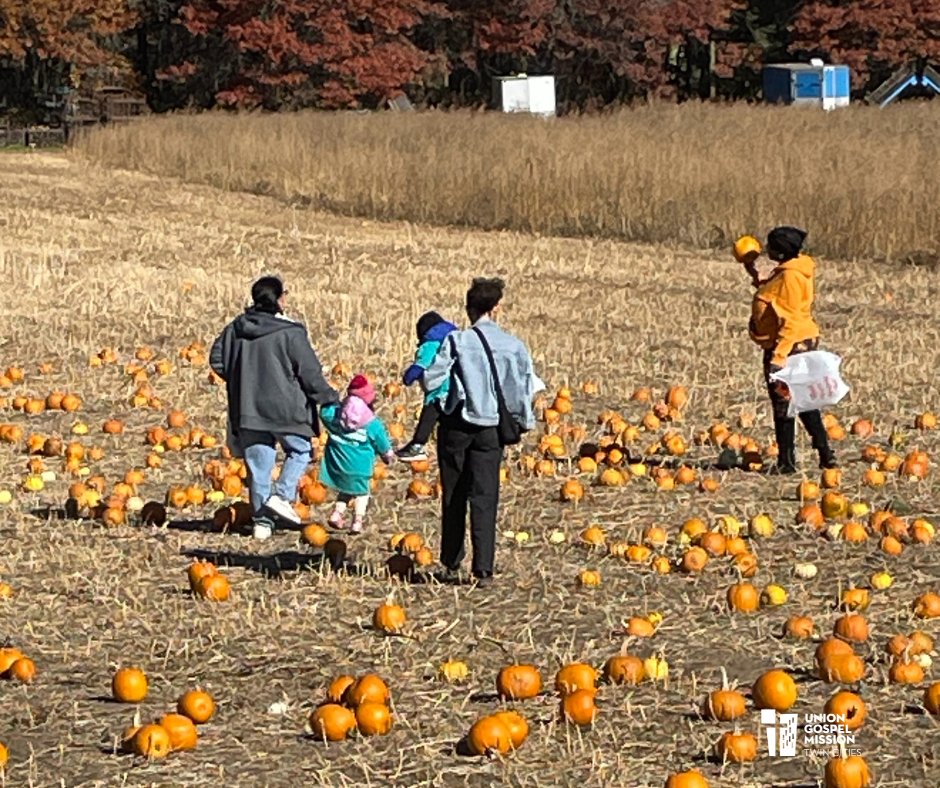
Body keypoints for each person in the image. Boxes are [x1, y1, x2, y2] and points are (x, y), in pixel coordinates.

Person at [423, 277, 544, 586]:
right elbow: (522, 390)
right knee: (485, 495)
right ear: (496, 308)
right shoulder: (514, 346)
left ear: (468, 308)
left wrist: (453, 394)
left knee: (454, 494)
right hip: (491, 430)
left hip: (456, 426)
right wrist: (523, 422)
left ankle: (451, 561)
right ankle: (484, 569)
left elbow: (431, 380)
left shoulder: (457, 341)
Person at [210, 276, 338, 540]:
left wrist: (240, 381)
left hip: (248, 409)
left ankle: (262, 524)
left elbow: (217, 360)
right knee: (300, 450)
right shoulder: (291, 332)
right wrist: (329, 397)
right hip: (287, 409)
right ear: (280, 299)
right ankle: (282, 496)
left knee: (259, 466)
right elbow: (309, 373)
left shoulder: (236, 328)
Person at [746, 226, 837, 474]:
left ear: (780, 252)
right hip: (803, 339)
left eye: (771, 246)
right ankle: (825, 452)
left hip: (790, 343)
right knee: (804, 398)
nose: (767, 249)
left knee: (783, 402)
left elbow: (790, 319)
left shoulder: (789, 277)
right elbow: (772, 293)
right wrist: (752, 270)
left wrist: (778, 357)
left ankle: (786, 463)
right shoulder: (796, 269)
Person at [319, 374, 396, 534]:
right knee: (362, 492)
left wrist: (331, 400)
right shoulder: (372, 423)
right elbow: (382, 442)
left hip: (338, 465)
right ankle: (357, 521)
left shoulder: (335, 415)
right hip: (360, 467)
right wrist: (387, 455)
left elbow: (324, 413)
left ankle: (336, 514)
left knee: (346, 489)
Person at [396, 310, 458, 462]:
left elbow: (420, 365)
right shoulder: (453, 341)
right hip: (457, 389)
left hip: (439, 390)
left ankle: (417, 445)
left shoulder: (430, 345)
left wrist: (407, 378)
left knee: (428, 417)